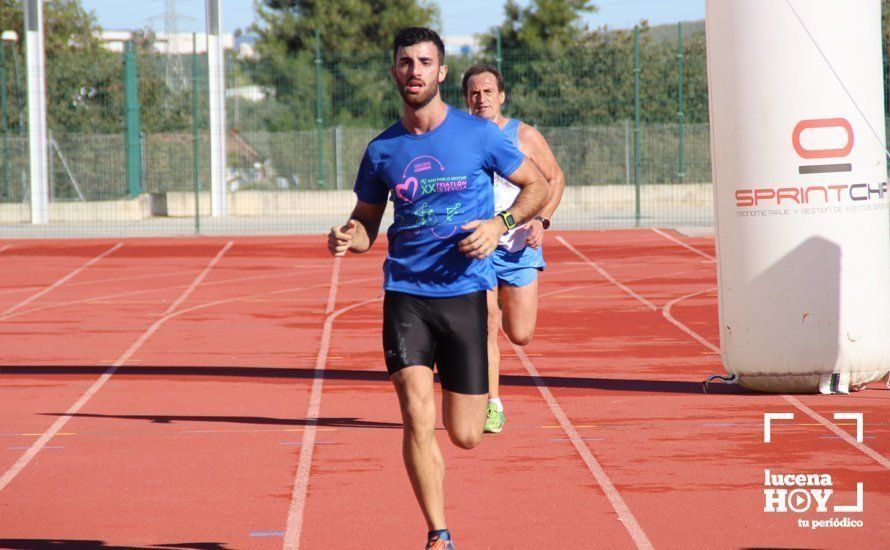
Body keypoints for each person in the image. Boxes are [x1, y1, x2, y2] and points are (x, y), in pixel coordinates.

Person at [327, 28, 549, 550]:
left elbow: (537, 186)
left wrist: (500, 223)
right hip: (406, 293)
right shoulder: (383, 149)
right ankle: (438, 534)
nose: (415, 71)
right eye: (405, 62)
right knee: (414, 414)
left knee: (467, 434)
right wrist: (346, 235)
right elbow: (365, 224)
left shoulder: (478, 135)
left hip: (465, 293)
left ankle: (469, 399)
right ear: (394, 72)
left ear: (441, 72)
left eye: (425, 62)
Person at [462, 64, 566, 434]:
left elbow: (554, 178)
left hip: (520, 248)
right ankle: (493, 405)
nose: (481, 98)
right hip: (480, 247)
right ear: (466, 99)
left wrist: (542, 220)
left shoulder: (523, 135)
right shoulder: (460, 136)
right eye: (474, 93)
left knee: (520, 334)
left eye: (488, 91)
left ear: (501, 96)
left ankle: (505, 299)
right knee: (486, 324)